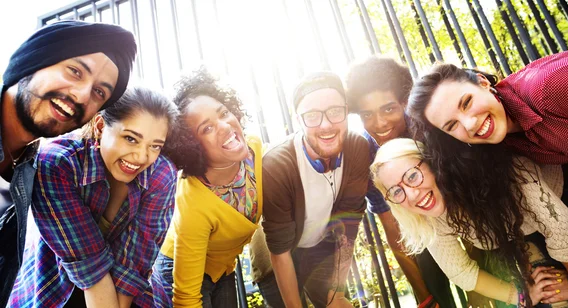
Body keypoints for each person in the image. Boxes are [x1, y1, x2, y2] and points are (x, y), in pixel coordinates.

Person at [0, 20, 136, 306]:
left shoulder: (28, 169)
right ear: (33, 61)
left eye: (100, 92)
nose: (82, 95)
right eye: (75, 71)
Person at [371, 136, 568, 307]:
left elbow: (563, 229)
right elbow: (460, 272)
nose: (411, 195)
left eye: (412, 176)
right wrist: (520, 297)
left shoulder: (482, 170)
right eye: (396, 191)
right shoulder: (427, 218)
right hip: (529, 234)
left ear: (430, 162)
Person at [8, 86, 178, 307]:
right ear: (99, 127)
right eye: (131, 138)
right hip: (55, 286)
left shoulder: (161, 175)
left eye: (155, 146)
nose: (142, 157)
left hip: (129, 293)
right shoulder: (58, 164)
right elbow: (91, 271)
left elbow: (133, 267)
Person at [251, 71, 370, 308]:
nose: (326, 125)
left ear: (346, 111)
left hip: (320, 246)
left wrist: (336, 293)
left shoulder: (357, 148)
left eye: (335, 111)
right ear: (298, 121)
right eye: (312, 116)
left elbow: (348, 226)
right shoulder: (276, 165)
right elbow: (280, 251)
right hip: (276, 254)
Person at [149, 67, 264, 308]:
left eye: (223, 113)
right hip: (178, 272)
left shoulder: (254, 150)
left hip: (222, 267)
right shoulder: (193, 200)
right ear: (192, 146)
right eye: (207, 128)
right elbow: (186, 298)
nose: (224, 126)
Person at [346, 56, 455, 307]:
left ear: (404, 102)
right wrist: (424, 296)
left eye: (388, 109)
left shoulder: (430, 126)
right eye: (367, 115)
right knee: (428, 270)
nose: (380, 123)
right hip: (423, 229)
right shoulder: (369, 156)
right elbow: (394, 230)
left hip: (465, 212)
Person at [407, 48, 568, 166]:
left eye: (466, 103)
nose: (470, 124)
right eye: (451, 125)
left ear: (483, 83)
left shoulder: (549, 87)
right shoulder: (503, 145)